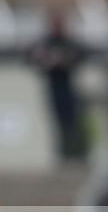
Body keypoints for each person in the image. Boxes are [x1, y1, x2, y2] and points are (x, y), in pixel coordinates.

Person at [26, 12, 85, 160]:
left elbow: (80, 55)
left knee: (73, 122)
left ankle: (75, 153)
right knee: (57, 123)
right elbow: (30, 57)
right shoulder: (45, 43)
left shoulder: (69, 42)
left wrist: (64, 61)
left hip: (69, 88)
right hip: (53, 87)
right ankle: (63, 155)